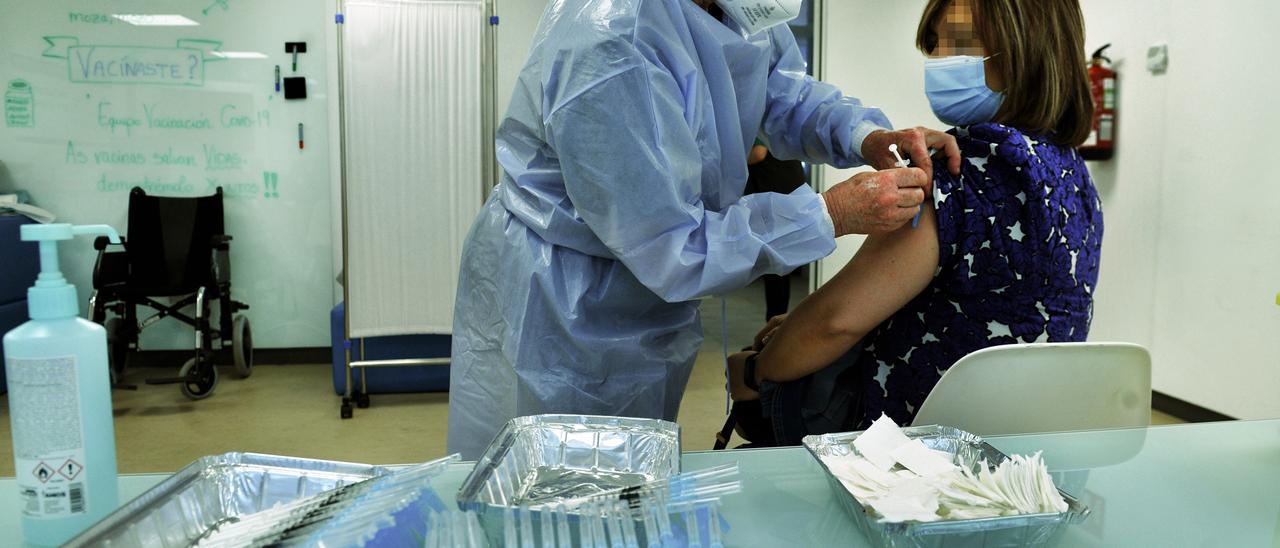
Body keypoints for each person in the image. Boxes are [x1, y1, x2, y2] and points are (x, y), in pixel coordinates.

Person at [447, 0, 964, 458]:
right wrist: (828, 214)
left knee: (631, 478)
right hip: (564, 299)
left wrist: (863, 134)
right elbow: (671, 247)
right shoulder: (611, 44)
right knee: (545, 483)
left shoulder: (736, 10)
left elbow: (782, 91)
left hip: (645, 292)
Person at [727, 0, 1102, 444]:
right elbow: (980, 300)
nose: (940, 63)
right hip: (1023, 452)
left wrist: (753, 369)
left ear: (1024, 47)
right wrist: (797, 323)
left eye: (960, 45)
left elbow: (835, 322)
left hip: (913, 459)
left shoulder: (963, 168)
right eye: (936, 46)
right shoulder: (1071, 173)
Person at [744, 142, 808, 320]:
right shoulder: (777, 128)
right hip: (785, 197)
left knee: (776, 269)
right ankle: (773, 328)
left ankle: (773, 331)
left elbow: (758, 154)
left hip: (777, 198)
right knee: (777, 268)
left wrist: (727, 162)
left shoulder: (760, 121)